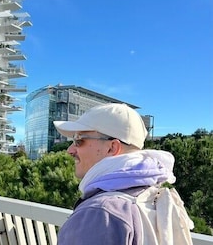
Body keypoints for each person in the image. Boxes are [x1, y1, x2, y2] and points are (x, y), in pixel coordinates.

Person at [53, 103, 192, 245]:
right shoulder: (154, 197)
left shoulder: (99, 213)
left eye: (79, 140)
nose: (69, 150)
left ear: (112, 147)